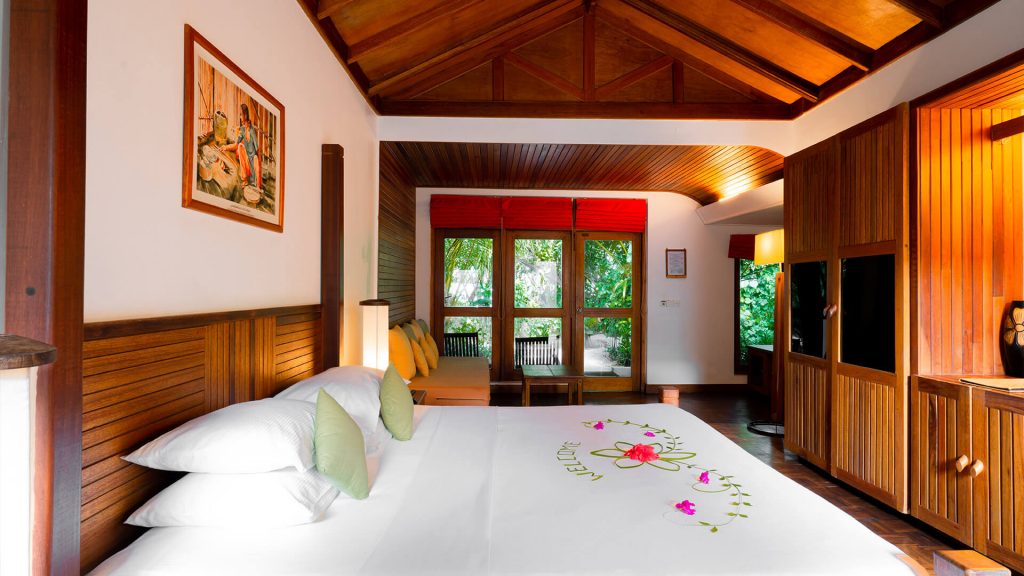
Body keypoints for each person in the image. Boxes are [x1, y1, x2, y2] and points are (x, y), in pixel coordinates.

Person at [223, 103, 261, 189]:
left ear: (245, 115)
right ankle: (245, 179)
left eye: (241, 114)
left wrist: (258, 169)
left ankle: (254, 181)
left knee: (255, 157)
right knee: (240, 146)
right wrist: (226, 147)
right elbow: (236, 144)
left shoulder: (251, 130)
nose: (240, 117)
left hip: (253, 161)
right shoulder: (242, 130)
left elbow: (257, 149)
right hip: (247, 161)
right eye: (240, 115)